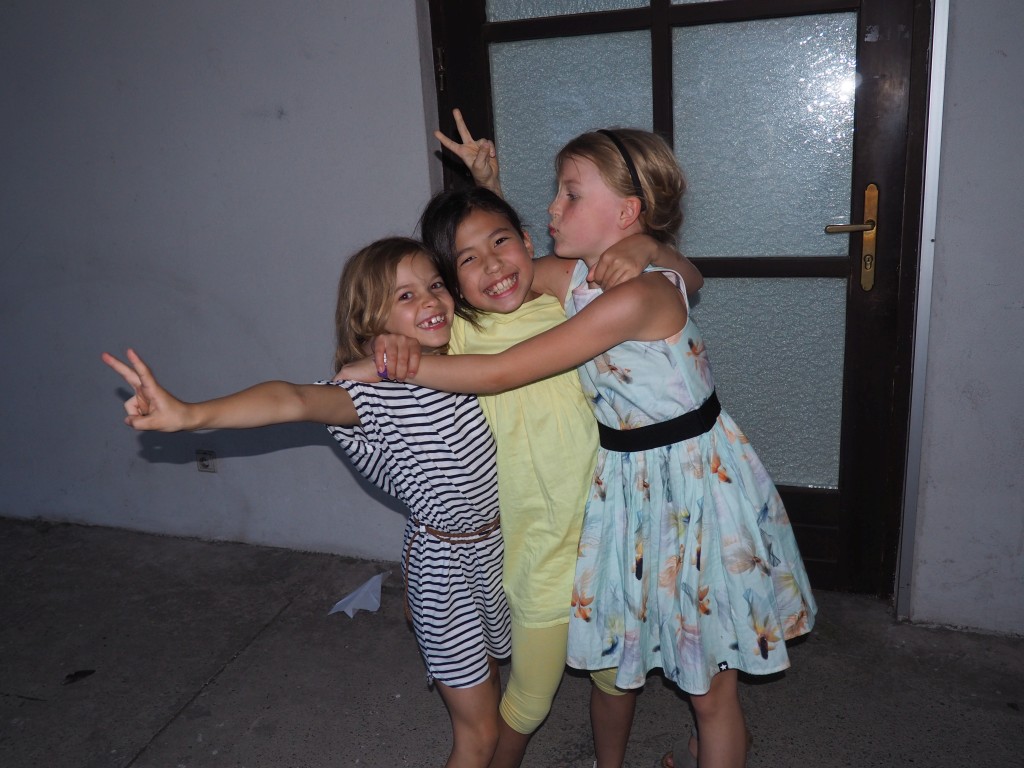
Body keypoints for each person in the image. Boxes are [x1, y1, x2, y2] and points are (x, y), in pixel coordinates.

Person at [343, 129, 817, 768]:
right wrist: (486, 196)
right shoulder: (577, 277)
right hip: (630, 485)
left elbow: (501, 369)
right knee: (672, 648)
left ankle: (720, 739)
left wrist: (398, 367)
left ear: (626, 212)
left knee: (709, 684)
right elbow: (498, 272)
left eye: (570, 195)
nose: (552, 208)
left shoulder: (636, 295)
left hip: (692, 493)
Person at [102, 237, 512, 768]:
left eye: (435, 285)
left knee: (492, 685)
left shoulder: (468, 358)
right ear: (369, 319)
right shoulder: (370, 396)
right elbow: (291, 399)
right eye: (405, 295)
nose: (431, 300)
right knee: (478, 733)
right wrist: (189, 415)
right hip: (445, 571)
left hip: (501, 552)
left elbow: (518, 290)